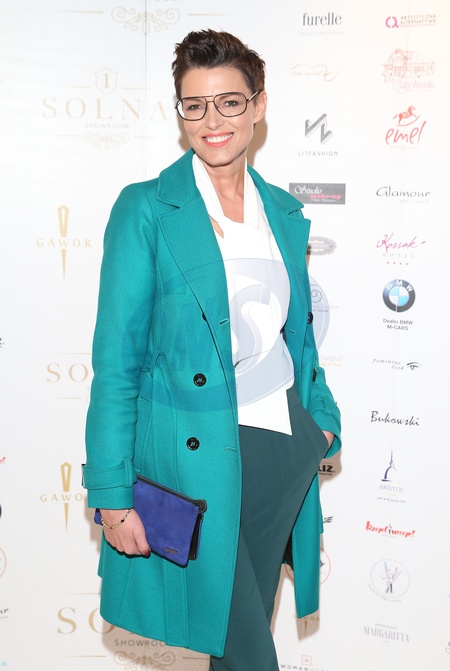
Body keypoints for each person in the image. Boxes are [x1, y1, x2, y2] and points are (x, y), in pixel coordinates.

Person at [82, 29, 341, 671]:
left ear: (258, 105)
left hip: (280, 451)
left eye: (229, 102)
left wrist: (321, 421)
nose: (212, 121)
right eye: (194, 105)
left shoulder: (282, 213)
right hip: (194, 464)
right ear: (180, 113)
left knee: (235, 649)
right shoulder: (146, 209)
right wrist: (111, 491)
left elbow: (295, 336)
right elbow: (116, 365)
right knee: (246, 651)